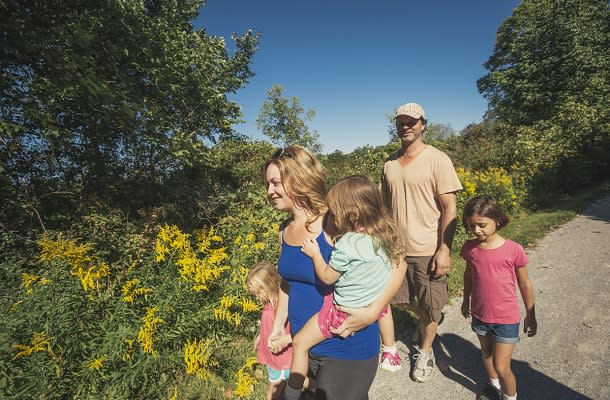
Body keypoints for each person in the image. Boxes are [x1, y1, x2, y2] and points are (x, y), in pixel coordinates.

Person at [264, 146, 402, 400]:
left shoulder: (334, 220)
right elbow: (288, 284)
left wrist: (373, 311)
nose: (269, 191)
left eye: (275, 183)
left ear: (298, 180)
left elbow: (398, 262)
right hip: (305, 347)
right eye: (268, 184)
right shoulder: (284, 231)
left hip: (347, 346)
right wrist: (277, 325)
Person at [381, 102, 463, 383]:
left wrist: (444, 249)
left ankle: (425, 350)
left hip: (428, 249)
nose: (406, 126)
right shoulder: (389, 163)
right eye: (401, 122)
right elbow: (385, 206)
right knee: (397, 300)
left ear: (423, 124)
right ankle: (424, 322)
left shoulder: (438, 160)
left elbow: (450, 208)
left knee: (431, 307)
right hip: (396, 250)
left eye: (411, 121)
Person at [460, 195, 537, 400]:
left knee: (502, 366)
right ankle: (493, 387)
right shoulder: (470, 248)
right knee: (486, 353)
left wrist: (531, 314)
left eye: (482, 225)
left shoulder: (513, 250)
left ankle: (510, 397)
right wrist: (465, 299)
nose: (476, 230)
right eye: (471, 226)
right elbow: (468, 275)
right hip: (480, 314)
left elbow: (525, 284)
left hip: (506, 318)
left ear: (498, 220)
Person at [246, 261, 295, 400]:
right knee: (288, 384)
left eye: (258, 293)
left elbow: (288, 328)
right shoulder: (269, 304)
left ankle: (314, 386)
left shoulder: (281, 306)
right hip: (275, 356)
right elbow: (267, 325)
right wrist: (260, 337)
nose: (257, 297)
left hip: (281, 358)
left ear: (270, 283)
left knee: (273, 391)